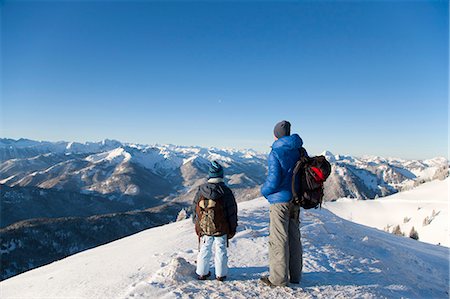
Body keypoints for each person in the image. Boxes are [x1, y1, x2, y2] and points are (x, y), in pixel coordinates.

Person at [260, 120, 304, 287]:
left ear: (276, 134)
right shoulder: (299, 150)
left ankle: (278, 279)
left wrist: (264, 192)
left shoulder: (276, 152)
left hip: (279, 202)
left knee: (279, 239)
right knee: (294, 238)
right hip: (295, 199)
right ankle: (295, 276)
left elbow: (274, 180)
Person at [192, 160, 238, 282]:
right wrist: (232, 228)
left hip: (205, 227)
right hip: (221, 227)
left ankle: (202, 273)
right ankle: (221, 275)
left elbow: (194, 208)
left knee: (205, 248)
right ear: (221, 175)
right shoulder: (226, 192)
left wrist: (197, 224)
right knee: (221, 249)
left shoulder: (201, 190)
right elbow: (232, 212)